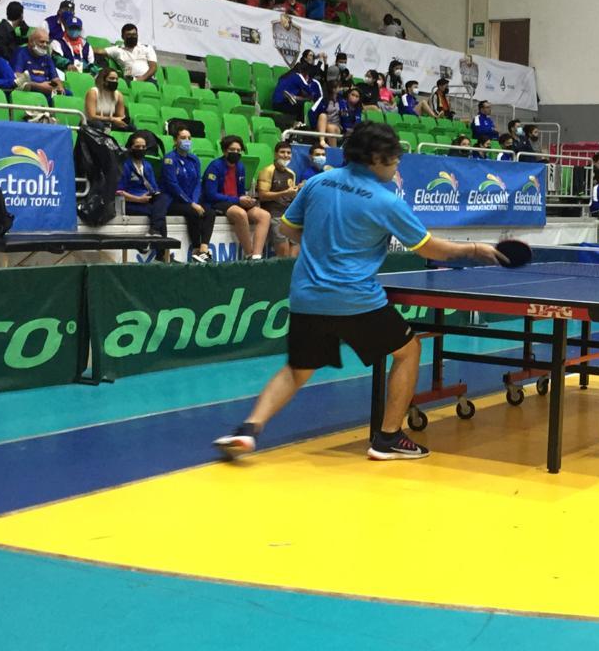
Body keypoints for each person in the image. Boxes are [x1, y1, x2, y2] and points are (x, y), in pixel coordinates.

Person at [212, 122, 506, 461]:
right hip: (355, 298)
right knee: (409, 350)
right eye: (394, 159)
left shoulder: (318, 182)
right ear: (377, 158)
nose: (397, 165)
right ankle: (389, 437)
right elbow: (429, 249)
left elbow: (290, 230)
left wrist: (328, 238)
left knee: (297, 369)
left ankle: (248, 430)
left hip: (308, 295)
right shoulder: (385, 200)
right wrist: (473, 251)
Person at [202, 136, 271, 259]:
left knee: (264, 215)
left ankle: (257, 255)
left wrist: (247, 200)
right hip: (218, 202)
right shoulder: (215, 166)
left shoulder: (240, 167)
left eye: (239, 150)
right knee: (240, 214)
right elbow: (211, 194)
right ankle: (249, 254)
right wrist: (238, 200)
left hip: (236, 201)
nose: (236, 153)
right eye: (232, 150)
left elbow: (240, 192)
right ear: (224, 151)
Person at [159, 127, 215, 263]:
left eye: (189, 138)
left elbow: (197, 183)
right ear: (175, 140)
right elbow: (172, 185)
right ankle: (196, 248)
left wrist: (194, 201)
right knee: (193, 212)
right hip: (173, 201)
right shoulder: (169, 159)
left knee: (210, 212)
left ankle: (203, 249)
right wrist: (191, 203)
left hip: (191, 200)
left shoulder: (194, 160)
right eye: (183, 138)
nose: (187, 141)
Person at [116, 132, 167, 250]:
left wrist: (151, 195)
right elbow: (119, 192)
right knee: (159, 214)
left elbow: (154, 188)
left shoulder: (147, 165)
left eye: (143, 147)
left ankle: (153, 232)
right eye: (137, 147)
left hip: (146, 199)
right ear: (130, 148)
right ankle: (161, 252)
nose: (141, 149)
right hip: (129, 202)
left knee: (163, 198)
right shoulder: (125, 165)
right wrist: (138, 199)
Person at [256, 142, 298, 258]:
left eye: (288, 153)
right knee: (283, 254)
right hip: (275, 214)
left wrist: (298, 190)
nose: (286, 155)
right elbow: (262, 195)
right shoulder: (268, 171)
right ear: (275, 154)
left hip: (289, 215)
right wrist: (285, 193)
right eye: (282, 152)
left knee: (295, 253)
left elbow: (291, 195)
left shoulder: (291, 173)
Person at [13, 29, 67, 103]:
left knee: (66, 94)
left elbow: (55, 78)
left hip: (48, 91)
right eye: (42, 41)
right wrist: (40, 86)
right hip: (30, 90)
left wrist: (60, 87)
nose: (45, 45)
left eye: (47, 42)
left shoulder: (47, 57)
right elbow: (17, 77)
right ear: (31, 42)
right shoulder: (21, 53)